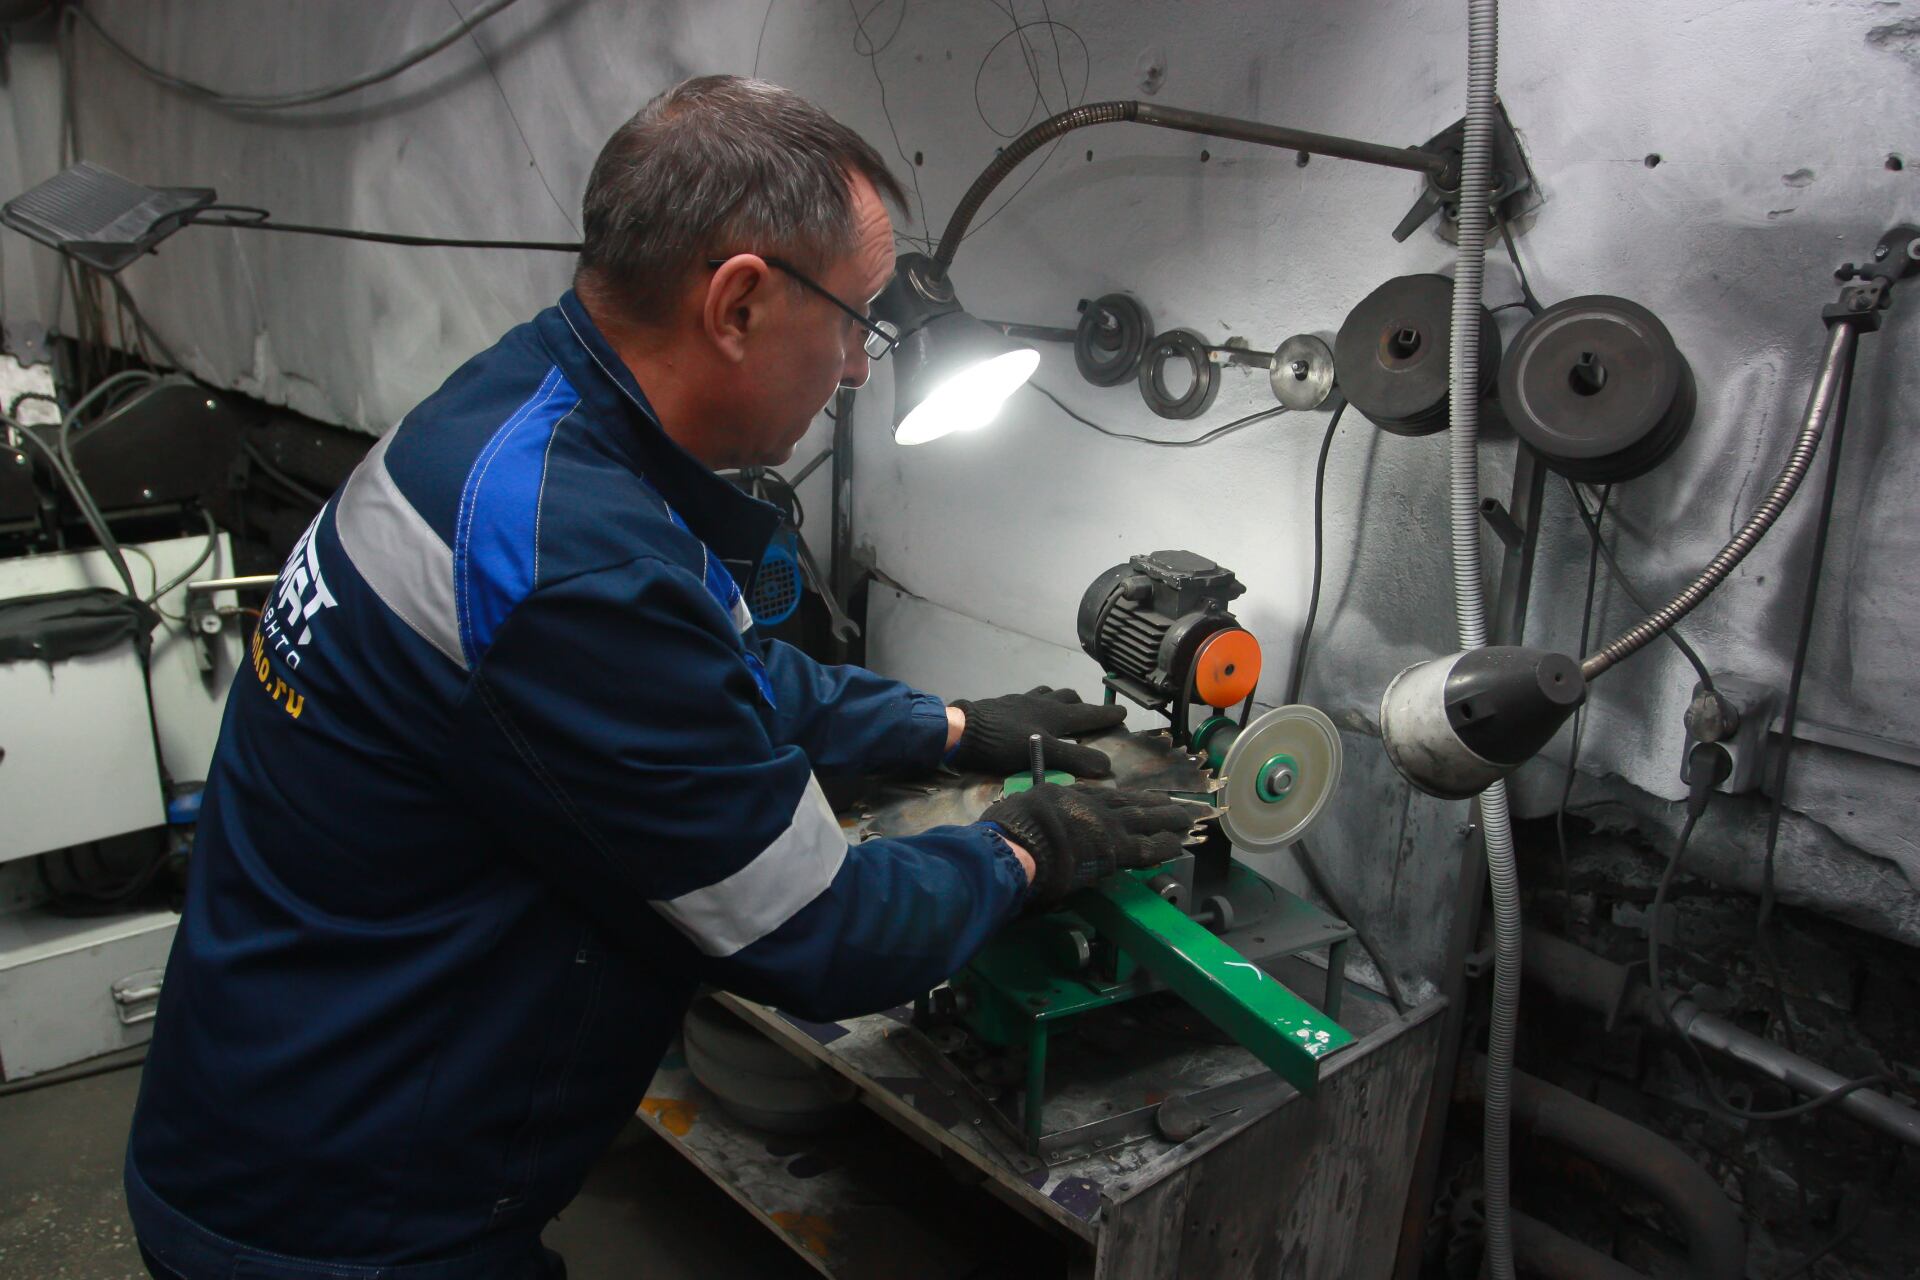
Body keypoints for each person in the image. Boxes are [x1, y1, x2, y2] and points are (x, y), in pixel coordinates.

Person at [125, 76, 1198, 1279]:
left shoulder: (524, 419)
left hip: (271, 1105)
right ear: (738, 303)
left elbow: (697, 672)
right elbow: (815, 928)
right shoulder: (572, 560)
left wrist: (944, 724)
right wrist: (1028, 849)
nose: (857, 367)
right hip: (336, 1220)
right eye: (855, 320)